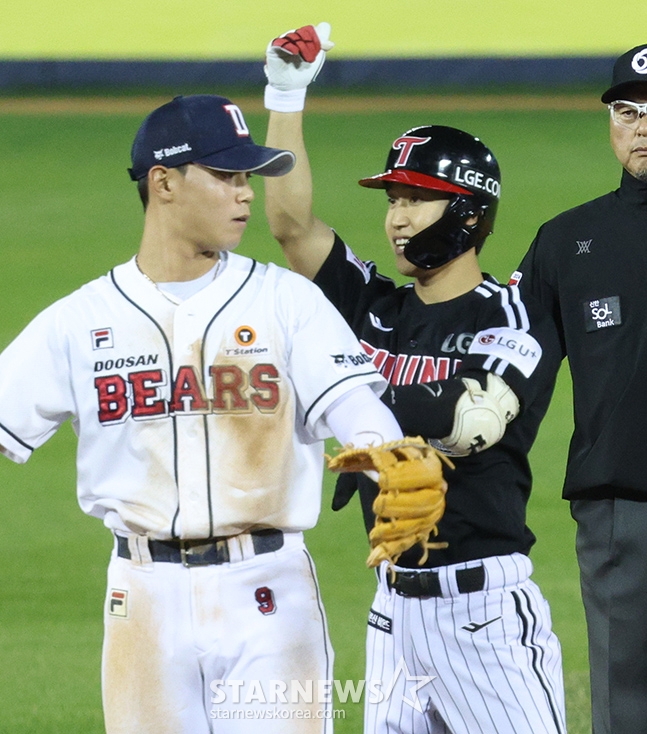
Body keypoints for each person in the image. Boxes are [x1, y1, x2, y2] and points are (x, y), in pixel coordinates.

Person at [0, 93, 407, 734]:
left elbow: (357, 403)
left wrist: (390, 456)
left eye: (247, 177)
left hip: (268, 593)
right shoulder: (80, 323)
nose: (244, 194)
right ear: (163, 182)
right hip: (142, 598)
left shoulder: (287, 301)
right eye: (225, 176)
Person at [263, 24, 567, 734]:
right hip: (390, 611)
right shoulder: (374, 305)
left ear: (465, 210)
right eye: (391, 198)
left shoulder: (511, 314)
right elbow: (289, 224)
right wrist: (286, 91)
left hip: (481, 616)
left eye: (415, 199)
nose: (396, 219)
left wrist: (344, 408)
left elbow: (472, 419)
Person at [514, 43, 647, 734]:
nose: (640, 127)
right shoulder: (566, 241)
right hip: (622, 512)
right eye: (626, 111)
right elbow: (512, 381)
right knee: (625, 709)